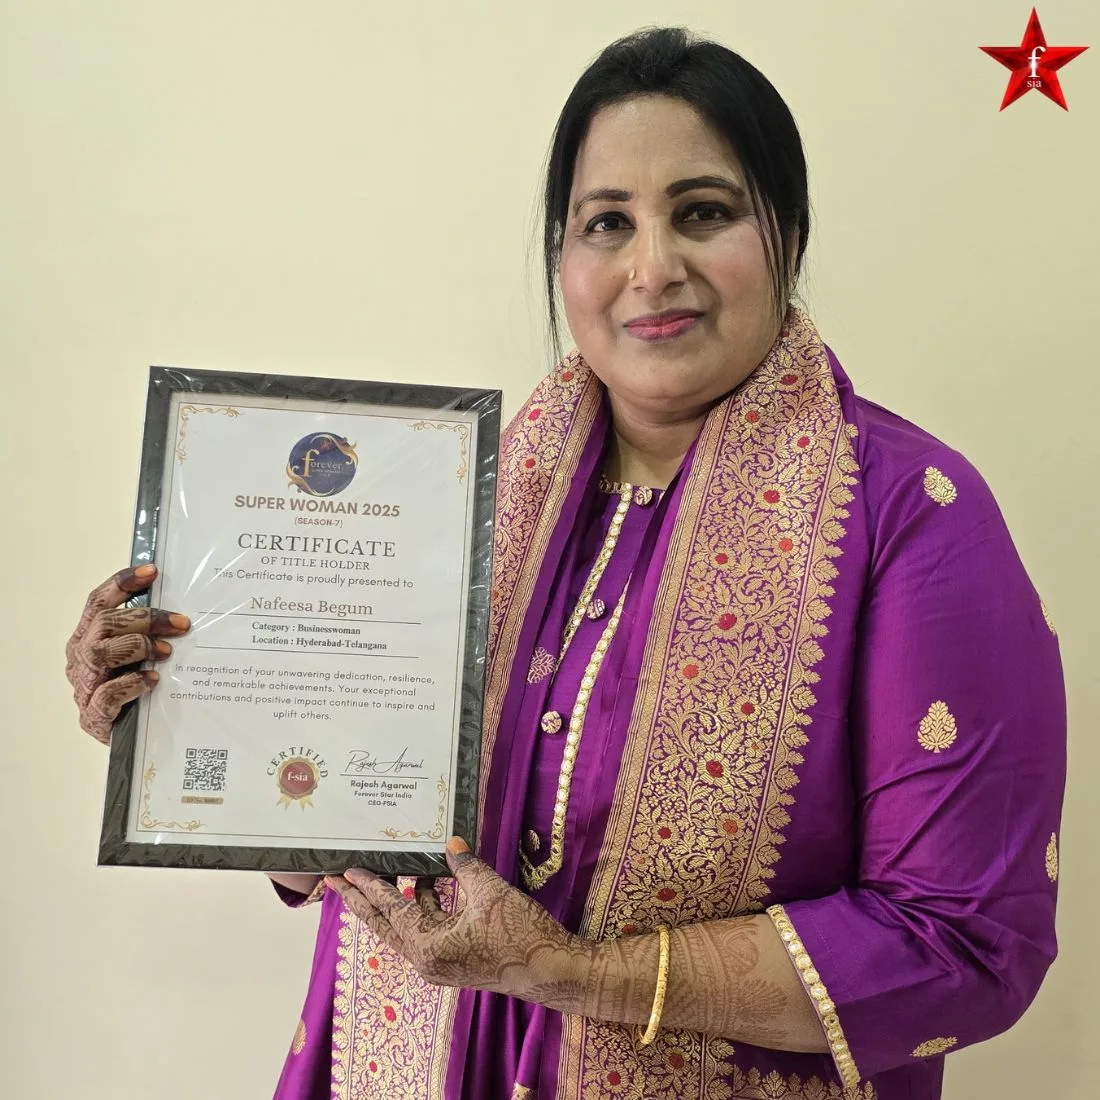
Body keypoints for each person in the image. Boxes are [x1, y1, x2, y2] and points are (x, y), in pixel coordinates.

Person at [66, 26, 1066, 1100]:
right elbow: (344, 833)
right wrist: (194, 713)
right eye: (607, 223)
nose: (652, 267)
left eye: (703, 212)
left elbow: (963, 945)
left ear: (787, 231)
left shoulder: (909, 515)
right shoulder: (450, 501)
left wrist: (567, 975)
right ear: (562, 259)